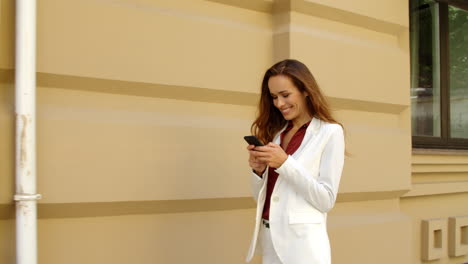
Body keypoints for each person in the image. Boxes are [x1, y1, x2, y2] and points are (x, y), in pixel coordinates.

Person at [245, 59, 345, 264]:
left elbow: (326, 200)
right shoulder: (278, 135)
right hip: (270, 241)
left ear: (305, 90)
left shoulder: (330, 132)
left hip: (303, 249)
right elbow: (264, 200)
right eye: (274, 97)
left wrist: (284, 164)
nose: (279, 104)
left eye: (285, 95)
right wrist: (259, 172)